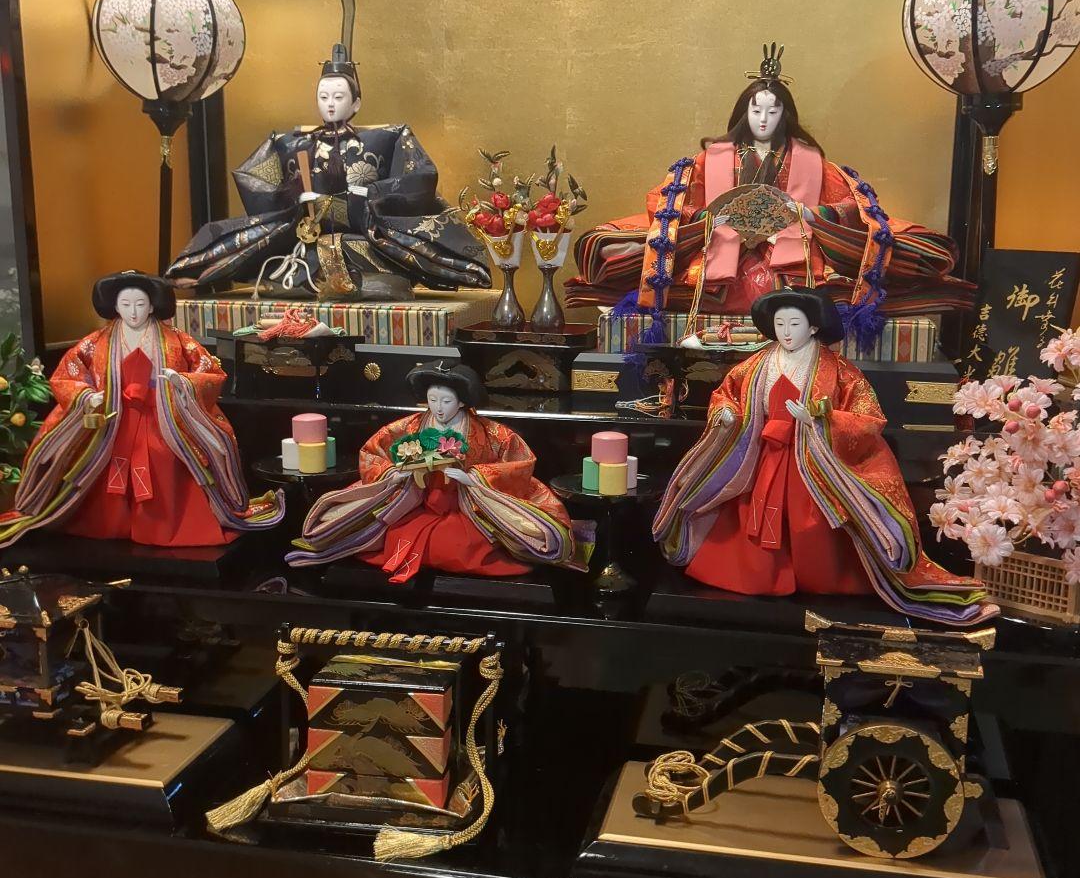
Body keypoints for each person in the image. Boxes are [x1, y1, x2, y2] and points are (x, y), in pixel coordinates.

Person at [653, 287, 996, 625]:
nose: (786, 332)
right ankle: (756, 573)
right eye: (780, 324)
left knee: (812, 525)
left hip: (812, 463)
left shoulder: (840, 370)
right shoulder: (755, 364)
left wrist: (820, 419)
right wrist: (727, 414)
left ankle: (818, 576)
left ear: (814, 326)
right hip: (762, 456)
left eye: (795, 324)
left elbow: (868, 417)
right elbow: (726, 394)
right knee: (751, 516)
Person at [565, 44, 965, 328]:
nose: (763, 119)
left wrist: (809, 215)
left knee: (894, 252)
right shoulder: (711, 159)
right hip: (718, 246)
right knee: (612, 249)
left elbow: (848, 206)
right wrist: (709, 218)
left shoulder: (811, 161)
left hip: (792, 251)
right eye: (756, 109)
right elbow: (665, 201)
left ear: (785, 115)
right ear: (744, 112)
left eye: (773, 111)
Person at [167, 0, 490, 300]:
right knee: (273, 254)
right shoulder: (291, 142)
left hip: (367, 235)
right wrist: (293, 196)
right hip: (304, 235)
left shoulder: (386, 138)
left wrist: (370, 193)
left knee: (371, 258)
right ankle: (197, 273)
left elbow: (418, 177)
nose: (330, 104)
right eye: (323, 97)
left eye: (339, 96)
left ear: (356, 103)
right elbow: (255, 178)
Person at [0, 271, 284, 547]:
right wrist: (87, 396)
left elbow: (209, 371)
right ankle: (112, 525)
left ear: (151, 306)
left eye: (140, 304)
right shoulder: (96, 342)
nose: (133, 312)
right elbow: (67, 375)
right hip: (115, 418)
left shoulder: (176, 340)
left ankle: (164, 526)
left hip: (162, 418)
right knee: (103, 459)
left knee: (164, 456)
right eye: (126, 305)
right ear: (115, 307)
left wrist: (182, 383)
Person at [287, 361, 578, 581]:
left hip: (468, 507)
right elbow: (372, 453)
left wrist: (474, 478)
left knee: (461, 546)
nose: (438, 408)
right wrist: (394, 474)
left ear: (462, 401)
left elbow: (520, 463)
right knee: (392, 534)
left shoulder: (492, 433)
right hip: (417, 501)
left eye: (446, 401)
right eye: (432, 400)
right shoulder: (409, 426)